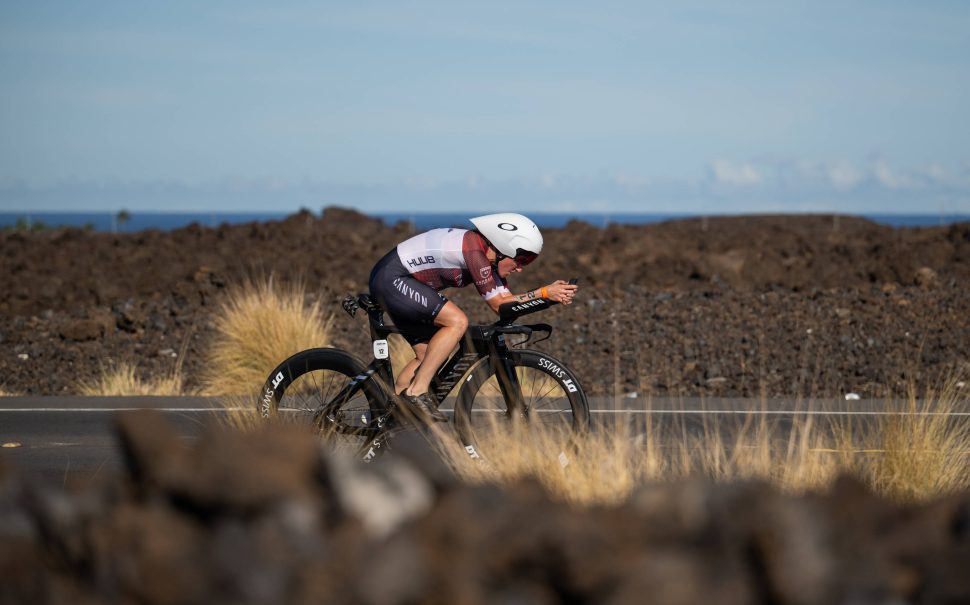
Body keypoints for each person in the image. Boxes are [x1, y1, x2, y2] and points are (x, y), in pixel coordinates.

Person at [368, 213, 578, 421]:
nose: (522, 268)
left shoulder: (488, 257)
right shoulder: (475, 253)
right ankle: (416, 393)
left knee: (428, 355)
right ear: (503, 247)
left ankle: (388, 419)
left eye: (529, 261)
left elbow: (509, 304)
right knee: (457, 322)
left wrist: (549, 298)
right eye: (522, 258)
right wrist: (542, 293)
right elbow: (499, 306)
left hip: (400, 281)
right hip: (393, 278)